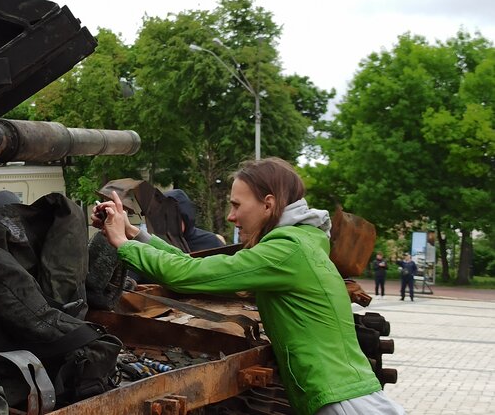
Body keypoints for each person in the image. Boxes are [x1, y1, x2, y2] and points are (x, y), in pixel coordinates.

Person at [92, 157, 404, 415]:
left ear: (268, 204)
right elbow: (196, 269)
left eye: (237, 205)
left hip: (341, 402)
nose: (230, 216)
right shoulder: (299, 243)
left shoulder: (285, 251)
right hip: (344, 393)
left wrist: (121, 243)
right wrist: (133, 233)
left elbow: (185, 274)